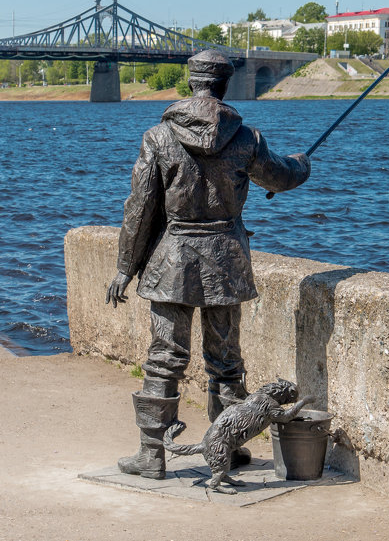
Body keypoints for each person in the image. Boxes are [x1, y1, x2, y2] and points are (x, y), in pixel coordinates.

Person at [106, 49, 310, 479]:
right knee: (226, 360)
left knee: (164, 358)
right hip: (226, 262)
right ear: (224, 84)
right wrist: (302, 165)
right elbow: (280, 177)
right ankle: (231, 448)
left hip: (170, 263)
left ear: (191, 82)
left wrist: (126, 266)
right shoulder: (246, 138)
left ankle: (152, 454)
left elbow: (139, 209)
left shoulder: (158, 137)